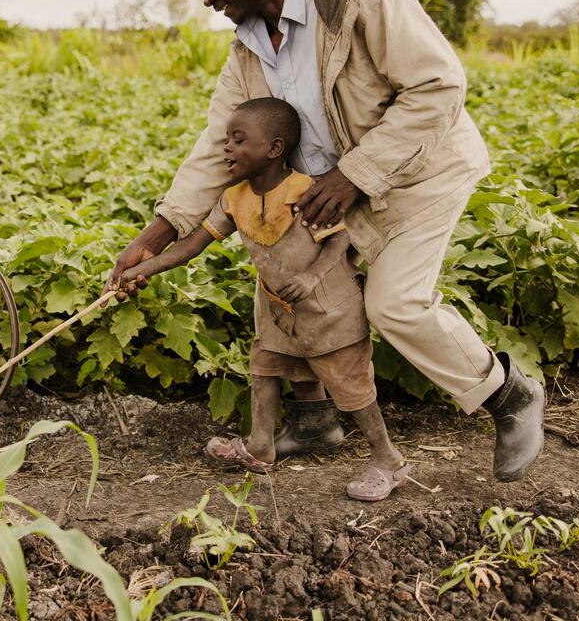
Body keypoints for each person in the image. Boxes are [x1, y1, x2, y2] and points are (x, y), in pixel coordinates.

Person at [106, 0, 544, 482]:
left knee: (395, 305)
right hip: (336, 193)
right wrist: (160, 230)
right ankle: (314, 420)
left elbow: (439, 86)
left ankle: (507, 395)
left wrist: (355, 175)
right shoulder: (247, 49)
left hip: (419, 172)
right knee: (293, 288)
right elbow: (217, 144)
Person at [119, 98, 408, 500]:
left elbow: (340, 235)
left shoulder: (304, 190)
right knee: (265, 369)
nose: (228, 149)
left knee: (351, 385)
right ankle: (260, 446)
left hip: (327, 305)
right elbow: (193, 245)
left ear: (274, 148)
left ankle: (388, 461)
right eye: (227, 140)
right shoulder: (233, 198)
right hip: (276, 308)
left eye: (239, 140)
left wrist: (312, 275)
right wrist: (143, 268)